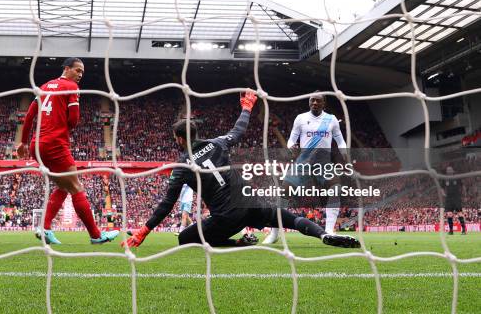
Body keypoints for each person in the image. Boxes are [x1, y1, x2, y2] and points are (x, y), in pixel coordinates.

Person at [123, 91, 360, 250]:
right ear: (195, 134)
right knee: (290, 218)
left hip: (226, 217)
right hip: (250, 202)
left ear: (178, 139)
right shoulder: (217, 142)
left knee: (185, 238)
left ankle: (238, 242)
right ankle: (322, 235)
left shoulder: (182, 166)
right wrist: (246, 107)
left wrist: (144, 230)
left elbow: (167, 203)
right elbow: (239, 130)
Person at [17, 57, 118, 245]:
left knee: (63, 187)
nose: (80, 75)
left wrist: (22, 143)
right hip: (55, 143)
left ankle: (45, 228)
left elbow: (30, 115)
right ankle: (96, 236)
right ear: (66, 68)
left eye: (82, 72)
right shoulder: (71, 87)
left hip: (36, 144)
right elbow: (73, 120)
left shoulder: (44, 86)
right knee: (76, 187)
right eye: (77, 70)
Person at [264, 92, 347, 244]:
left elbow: (340, 140)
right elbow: (291, 139)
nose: (315, 103)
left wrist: (344, 152)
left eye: (318, 101)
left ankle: (329, 230)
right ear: (309, 102)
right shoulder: (301, 118)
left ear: (324, 104)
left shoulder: (331, 119)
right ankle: (274, 233)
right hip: (304, 161)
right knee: (283, 192)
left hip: (323, 162)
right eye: (312, 100)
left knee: (335, 189)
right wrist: (291, 147)